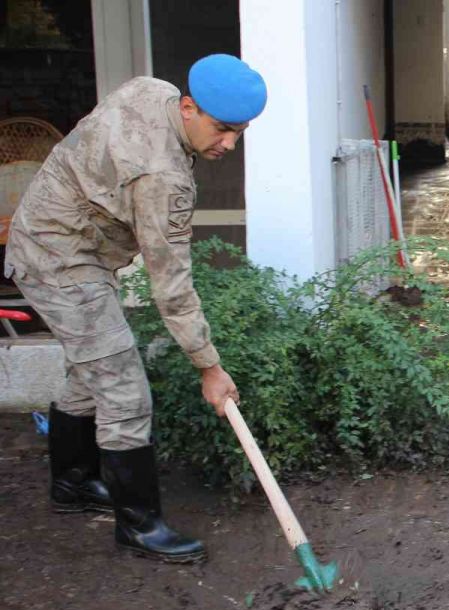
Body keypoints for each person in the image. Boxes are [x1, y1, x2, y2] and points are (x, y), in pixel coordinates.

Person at [4, 54, 267, 563]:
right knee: (123, 389)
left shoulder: (149, 88)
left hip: (55, 236)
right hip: (57, 260)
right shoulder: (163, 178)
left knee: (92, 369)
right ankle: (139, 527)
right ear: (188, 107)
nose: (229, 144)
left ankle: (74, 483)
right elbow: (171, 285)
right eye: (222, 129)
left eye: (240, 132)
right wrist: (209, 367)